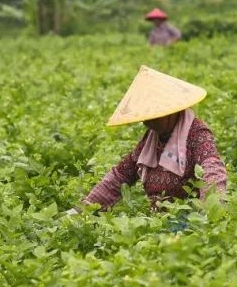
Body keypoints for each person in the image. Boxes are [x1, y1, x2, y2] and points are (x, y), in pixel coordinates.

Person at [82, 66, 227, 213]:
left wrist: (210, 214)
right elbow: (120, 176)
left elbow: (212, 169)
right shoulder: (151, 138)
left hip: (189, 222)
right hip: (157, 222)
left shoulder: (196, 133)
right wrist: (83, 209)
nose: (147, 122)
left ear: (171, 111)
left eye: (153, 116)